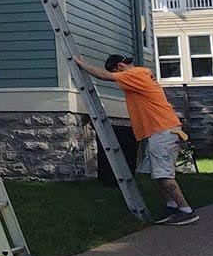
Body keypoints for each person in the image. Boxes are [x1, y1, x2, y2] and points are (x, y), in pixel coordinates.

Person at [75, 52, 197, 225]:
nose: (118, 78)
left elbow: (104, 76)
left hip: (162, 131)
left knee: (164, 175)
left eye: (116, 72)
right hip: (158, 131)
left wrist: (81, 64)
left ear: (119, 67)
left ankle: (185, 210)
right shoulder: (141, 74)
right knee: (154, 174)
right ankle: (171, 207)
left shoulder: (134, 75)